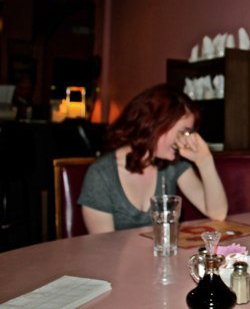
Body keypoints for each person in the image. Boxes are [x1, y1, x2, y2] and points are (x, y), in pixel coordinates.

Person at [78, 84, 228, 233]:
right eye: (183, 132)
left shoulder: (173, 166)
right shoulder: (101, 174)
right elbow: (104, 244)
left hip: (164, 249)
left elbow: (218, 213)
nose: (185, 140)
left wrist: (205, 162)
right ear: (155, 124)